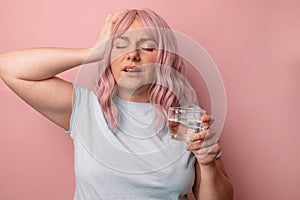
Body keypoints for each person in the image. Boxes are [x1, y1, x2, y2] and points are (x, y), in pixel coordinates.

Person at [0, 8, 233, 200]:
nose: (133, 55)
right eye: (121, 45)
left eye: (147, 47)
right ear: (108, 54)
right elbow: (8, 68)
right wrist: (89, 53)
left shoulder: (188, 119)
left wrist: (208, 163)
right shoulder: (84, 108)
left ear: (164, 58)